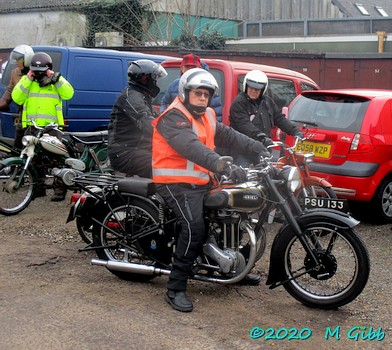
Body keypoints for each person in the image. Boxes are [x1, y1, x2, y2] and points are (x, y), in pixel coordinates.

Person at [152, 68, 269, 312]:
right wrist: (221, 164)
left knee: (234, 214)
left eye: (206, 94)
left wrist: (258, 147)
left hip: (201, 182)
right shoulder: (173, 116)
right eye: (198, 93)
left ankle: (236, 267)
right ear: (186, 92)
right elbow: (191, 147)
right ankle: (175, 287)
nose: (203, 98)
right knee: (194, 228)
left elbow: (230, 135)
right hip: (175, 184)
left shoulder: (206, 116)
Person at [12, 51, 74, 201]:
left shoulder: (55, 82)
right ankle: (38, 189)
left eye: (41, 71)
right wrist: (27, 79)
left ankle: (59, 190)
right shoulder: (28, 82)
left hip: (51, 127)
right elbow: (16, 97)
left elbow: (69, 94)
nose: (39, 74)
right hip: (32, 127)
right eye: (36, 70)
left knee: (57, 159)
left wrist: (56, 78)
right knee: (34, 160)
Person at [229, 69, 304, 166]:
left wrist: (294, 131)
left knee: (270, 177)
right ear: (245, 86)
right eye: (250, 88)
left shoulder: (267, 102)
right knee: (245, 178)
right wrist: (260, 136)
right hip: (243, 151)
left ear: (263, 90)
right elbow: (243, 124)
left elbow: (279, 119)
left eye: (257, 89)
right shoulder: (239, 102)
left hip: (262, 150)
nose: (253, 91)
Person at [108, 59, 167, 178]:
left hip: (137, 149)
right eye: (155, 78)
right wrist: (171, 134)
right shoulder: (132, 97)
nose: (156, 82)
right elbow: (147, 123)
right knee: (164, 166)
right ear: (145, 78)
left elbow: (158, 119)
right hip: (125, 153)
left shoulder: (142, 96)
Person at [159, 54, 223, 121]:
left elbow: (217, 113)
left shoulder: (208, 86)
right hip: (177, 124)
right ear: (182, 68)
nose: (190, 70)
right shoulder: (174, 85)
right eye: (187, 67)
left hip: (200, 126)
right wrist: (163, 115)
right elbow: (164, 101)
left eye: (193, 67)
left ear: (199, 68)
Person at [0, 45, 34, 149]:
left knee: (32, 145)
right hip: (22, 114)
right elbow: (10, 89)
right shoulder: (15, 72)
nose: (16, 62)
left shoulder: (36, 73)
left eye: (18, 59)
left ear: (26, 60)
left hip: (35, 114)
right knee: (18, 144)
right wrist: (4, 100)